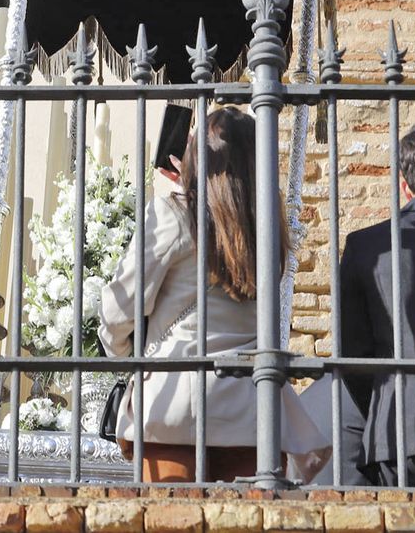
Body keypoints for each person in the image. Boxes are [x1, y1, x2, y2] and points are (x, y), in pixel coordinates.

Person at [99, 106, 327, 482]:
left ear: (197, 157)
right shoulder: (269, 228)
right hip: (252, 409)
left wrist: (131, 355)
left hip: (174, 405)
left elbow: (118, 310)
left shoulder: (171, 214)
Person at [339, 116, 415, 487]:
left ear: (404, 186)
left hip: (400, 426)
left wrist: (384, 405)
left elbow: (353, 358)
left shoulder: (365, 246)